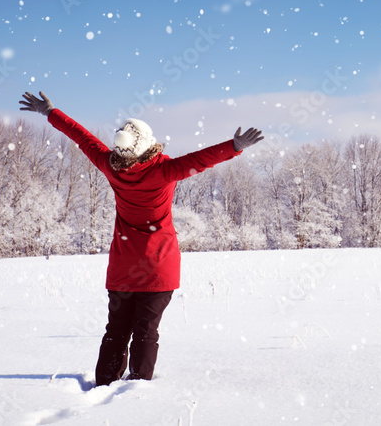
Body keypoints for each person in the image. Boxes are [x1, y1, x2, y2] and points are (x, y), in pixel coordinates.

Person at [19, 91, 263, 386]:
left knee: (117, 330)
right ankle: (137, 391)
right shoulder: (164, 170)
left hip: (123, 267)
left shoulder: (110, 165)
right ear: (147, 144)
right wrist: (234, 146)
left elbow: (83, 138)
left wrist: (50, 112)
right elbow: (200, 160)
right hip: (158, 266)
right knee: (146, 331)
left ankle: (105, 382)